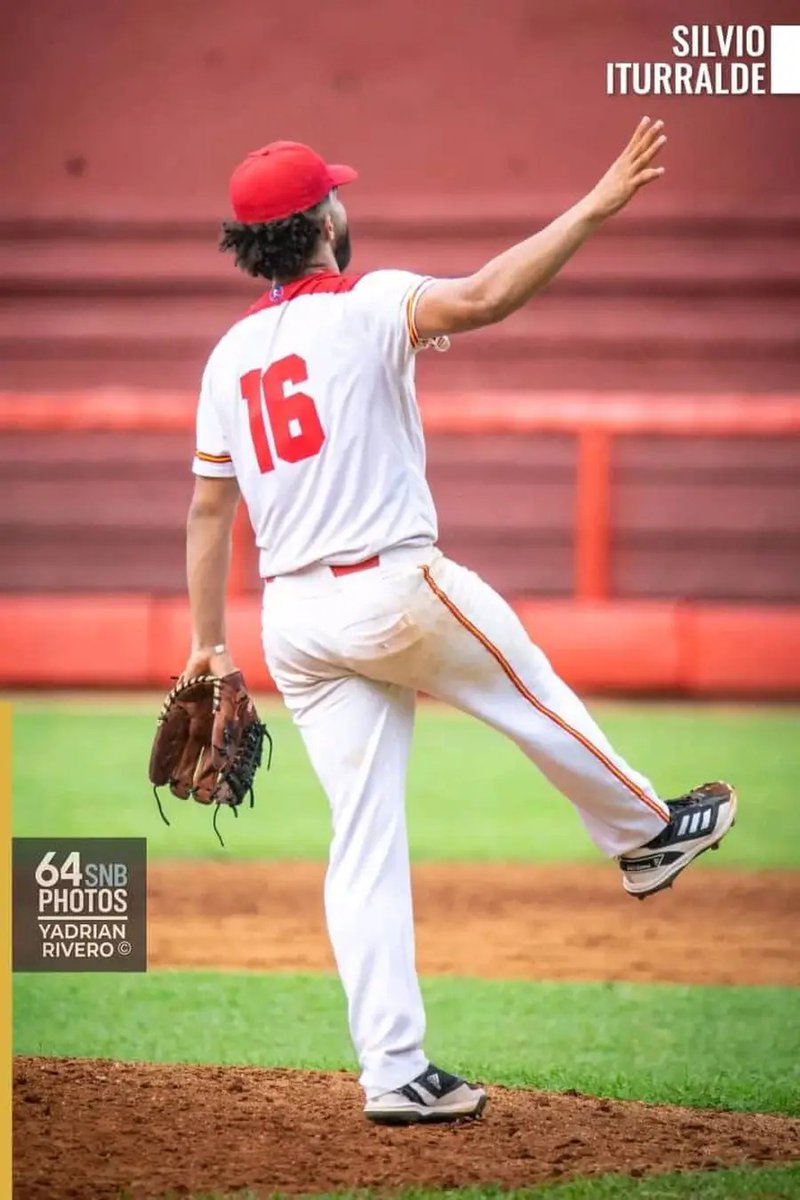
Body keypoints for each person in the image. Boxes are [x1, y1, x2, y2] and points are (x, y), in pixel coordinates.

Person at [182, 121, 736, 1125]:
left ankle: (393, 1072)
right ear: (319, 222)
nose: (345, 207)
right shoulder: (370, 302)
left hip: (292, 622)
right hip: (386, 587)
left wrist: (206, 646)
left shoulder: (225, 359)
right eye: (334, 198)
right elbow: (483, 296)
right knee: (523, 683)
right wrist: (593, 206)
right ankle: (646, 831)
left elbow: (207, 511)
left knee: (362, 840)